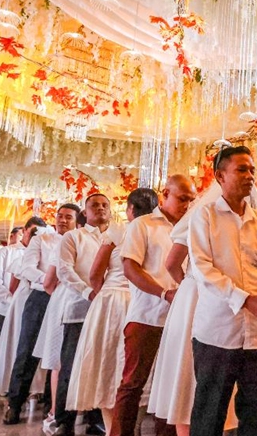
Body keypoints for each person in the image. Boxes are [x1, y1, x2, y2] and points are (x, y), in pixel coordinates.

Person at [187, 146, 257, 436]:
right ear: (220, 176)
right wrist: (244, 299)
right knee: (210, 412)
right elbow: (202, 269)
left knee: (254, 412)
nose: (249, 176)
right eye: (241, 170)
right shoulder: (205, 216)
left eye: (251, 170)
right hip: (217, 332)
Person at [148, 179, 240, 436]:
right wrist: (190, 284)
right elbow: (172, 263)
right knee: (188, 373)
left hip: (222, 295)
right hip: (196, 297)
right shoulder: (200, 216)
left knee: (213, 373)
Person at [66, 189, 159, 435]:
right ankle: (132, 427)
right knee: (135, 371)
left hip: (112, 304)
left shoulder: (119, 231)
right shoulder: (160, 231)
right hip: (146, 304)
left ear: (130, 210)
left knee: (107, 370)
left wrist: (102, 291)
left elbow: (96, 272)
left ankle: (112, 429)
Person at [111, 175, 195, 436]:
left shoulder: (192, 228)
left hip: (180, 318)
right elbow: (130, 268)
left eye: (191, 200)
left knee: (172, 385)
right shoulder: (143, 225)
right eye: (182, 199)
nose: (187, 205)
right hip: (147, 315)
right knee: (133, 383)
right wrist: (164, 293)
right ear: (165, 193)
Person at [3, 204, 80, 425]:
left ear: (77, 221)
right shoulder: (42, 239)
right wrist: (49, 281)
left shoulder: (78, 240)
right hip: (40, 298)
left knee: (58, 355)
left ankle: (52, 407)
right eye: (60, 216)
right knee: (26, 351)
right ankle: (14, 404)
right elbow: (27, 268)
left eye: (68, 217)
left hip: (67, 299)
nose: (63, 220)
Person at [53, 194, 112, 436]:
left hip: (107, 312)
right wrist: (88, 293)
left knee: (100, 364)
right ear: (84, 213)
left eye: (104, 205)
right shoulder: (73, 237)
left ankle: (95, 418)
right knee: (71, 366)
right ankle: (64, 421)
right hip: (79, 309)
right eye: (94, 206)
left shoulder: (116, 238)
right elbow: (64, 271)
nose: (100, 209)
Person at [0, 217, 48, 398]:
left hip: (36, 304)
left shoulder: (45, 251)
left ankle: (33, 388)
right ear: (24, 231)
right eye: (32, 232)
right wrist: (10, 301)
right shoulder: (8, 253)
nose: (35, 237)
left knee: (30, 346)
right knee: (15, 345)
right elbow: (3, 283)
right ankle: (12, 387)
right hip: (11, 305)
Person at [0, 227, 25, 353]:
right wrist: (10, 299)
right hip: (4, 309)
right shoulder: (6, 252)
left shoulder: (41, 254)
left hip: (24, 312)